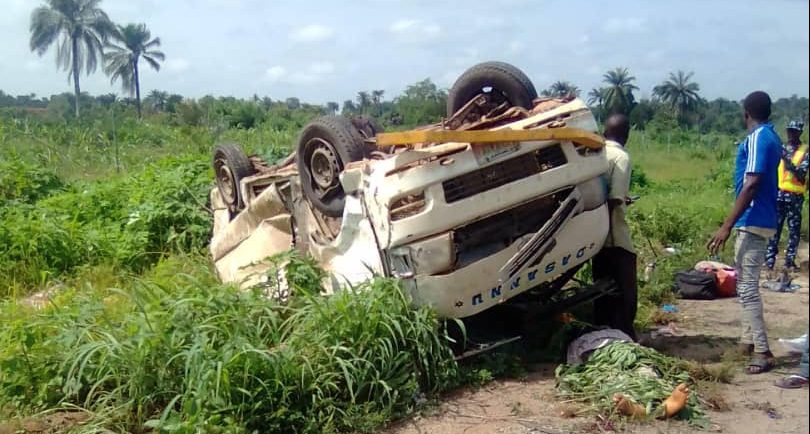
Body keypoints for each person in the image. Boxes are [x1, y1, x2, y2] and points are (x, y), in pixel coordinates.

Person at [708, 91, 781, 375]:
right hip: (761, 217)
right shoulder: (772, 137)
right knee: (744, 283)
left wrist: (726, 225)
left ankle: (763, 351)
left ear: (746, 113)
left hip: (752, 218)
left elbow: (751, 183)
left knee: (748, 288)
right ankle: (746, 341)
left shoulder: (757, 138)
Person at [592, 114, 637, 340]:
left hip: (592, 236)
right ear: (626, 135)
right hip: (614, 236)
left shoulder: (594, 153)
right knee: (625, 291)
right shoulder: (621, 157)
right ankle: (624, 334)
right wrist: (606, 232)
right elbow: (614, 199)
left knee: (601, 289)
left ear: (604, 131)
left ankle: (602, 332)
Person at [765, 120, 808, 273]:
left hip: (795, 196)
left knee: (793, 230)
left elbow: (801, 174)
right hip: (779, 194)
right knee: (774, 228)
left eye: (794, 131)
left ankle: (789, 261)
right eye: (789, 130)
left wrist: (788, 161)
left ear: (800, 132)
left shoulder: (805, 151)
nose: (791, 133)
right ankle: (769, 260)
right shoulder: (781, 149)